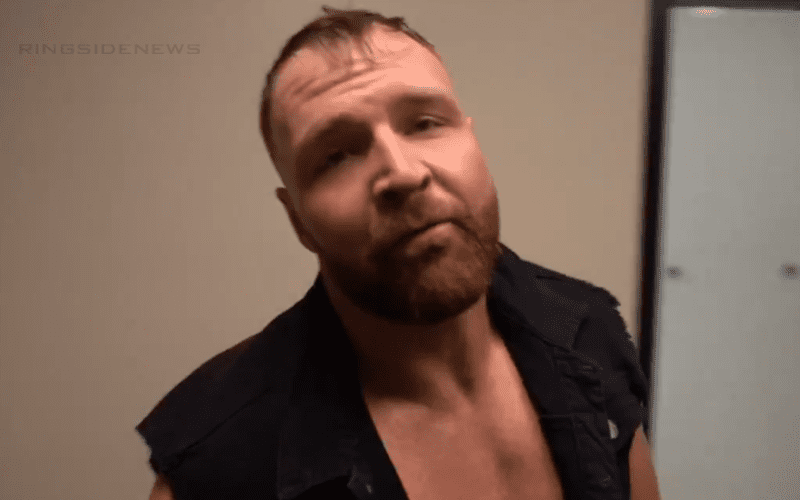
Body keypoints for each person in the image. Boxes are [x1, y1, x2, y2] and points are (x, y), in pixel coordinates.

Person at [138, 6, 662, 500]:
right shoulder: (220, 464)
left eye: (425, 123)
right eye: (336, 155)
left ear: (473, 143)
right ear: (298, 221)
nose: (403, 173)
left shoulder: (586, 329)